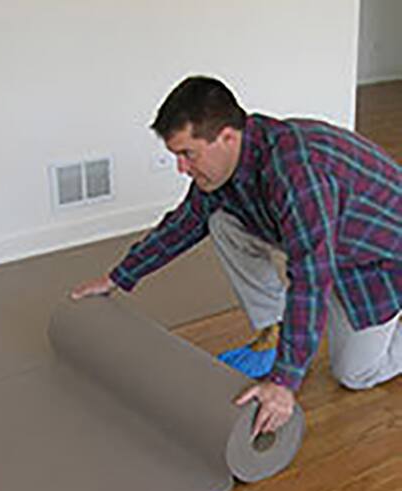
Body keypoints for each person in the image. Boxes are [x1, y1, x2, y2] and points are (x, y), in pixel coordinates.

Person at [71, 76, 401, 437]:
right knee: (222, 221)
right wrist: (118, 277)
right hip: (336, 246)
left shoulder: (297, 172)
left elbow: (310, 277)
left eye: (188, 154)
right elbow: (184, 224)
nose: (181, 168)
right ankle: (273, 331)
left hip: (380, 261)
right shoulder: (230, 164)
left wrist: (284, 382)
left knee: (355, 373)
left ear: (226, 137)